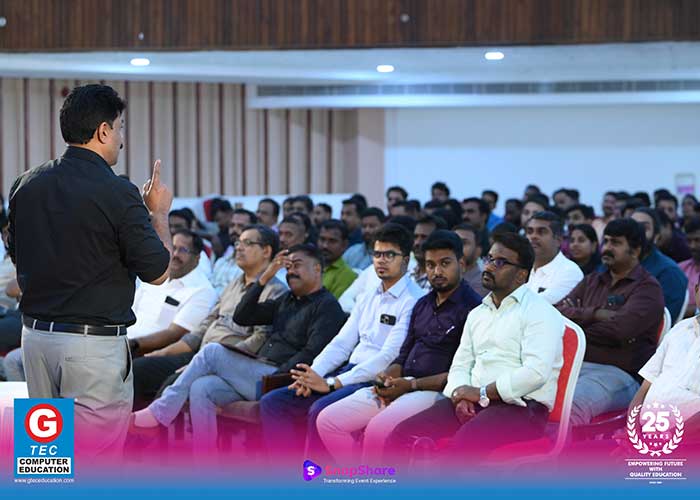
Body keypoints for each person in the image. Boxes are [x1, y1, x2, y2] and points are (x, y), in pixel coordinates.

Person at [8, 84, 172, 457]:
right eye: (120, 128)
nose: (121, 139)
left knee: (47, 461)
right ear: (103, 131)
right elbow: (159, 272)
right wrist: (159, 213)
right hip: (90, 348)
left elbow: (18, 254)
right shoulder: (117, 192)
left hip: (35, 340)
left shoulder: (26, 183)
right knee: (94, 463)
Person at [131, 244, 346, 452]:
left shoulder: (327, 307)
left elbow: (311, 353)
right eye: (288, 267)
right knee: (202, 387)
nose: (290, 272)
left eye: (297, 265)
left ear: (317, 268)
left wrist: (274, 380)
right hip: (259, 371)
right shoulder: (287, 299)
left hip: (281, 378)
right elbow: (242, 316)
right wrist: (264, 278)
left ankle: (159, 413)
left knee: (212, 352)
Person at [385, 232, 564, 462]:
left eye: (500, 262)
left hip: (521, 408)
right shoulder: (478, 313)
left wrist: (481, 393)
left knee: (459, 450)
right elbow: (461, 364)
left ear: (521, 275)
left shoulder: (540, 312)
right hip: (475, 401)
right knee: (401, 435)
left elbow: (535, 373)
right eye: (489, 259)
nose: (488, 267)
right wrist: (460, 396)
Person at [259, 223, 423, 459]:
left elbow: (388, 358)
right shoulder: (369, 295)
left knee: (319, 410)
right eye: (377, 254)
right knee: (273, 402)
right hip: (348, 371)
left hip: (374, 379)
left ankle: (317, 476)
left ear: (405, 260)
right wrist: (313, 375)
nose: (381, 260)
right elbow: (341, 343)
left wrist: (334, 383)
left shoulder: (414, 300)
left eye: (389, 255)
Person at [316, 230, 482, 461]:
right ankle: (361, 475)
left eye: (445, 263)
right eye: (430, 265)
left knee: (378, 430)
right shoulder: (422, 304)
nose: (437, 271)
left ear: (461, 264)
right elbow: (403, 355)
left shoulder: (474, 309)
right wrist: (388, 377)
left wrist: (410, 385)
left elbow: (463, 371)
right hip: (402, 383)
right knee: (328, 421)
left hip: (434, 392)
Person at [131, 225, 286, 410]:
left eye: (247, 243)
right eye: (238, 243)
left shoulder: (275, 291)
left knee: (171, 381)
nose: (238, 248)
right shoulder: (234, 283)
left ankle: (150, 424)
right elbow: (204, 326)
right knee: (141, 367)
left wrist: (216, 361)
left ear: (266, 251)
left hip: (229, 363)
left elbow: (260, 337)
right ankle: (127, 423)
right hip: (200, 354)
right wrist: (163, 353)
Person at [557, 219, 665, 425]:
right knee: (531, 396)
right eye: (605, 241)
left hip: (618, 373)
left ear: (635, 250)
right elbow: (557, 316)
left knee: (569, 406)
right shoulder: (592, 280)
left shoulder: (647, 289)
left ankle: (564, 447)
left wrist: (577, 328)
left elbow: (619, 330)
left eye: (615, 243)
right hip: (575, 364)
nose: (606, 247)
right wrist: (596, 314)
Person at [127, 230, 217, 355]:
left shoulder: (203, 292)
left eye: (183, 250)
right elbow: (129, 311)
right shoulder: (155, 275)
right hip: (122, 342)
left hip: (146, 353)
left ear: (197, 259)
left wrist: (132, 344)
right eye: (173, 248)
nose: (175, 254)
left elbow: (174, 335)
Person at [631, 208, 688, 321]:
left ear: (656, 236)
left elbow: (661, 320)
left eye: (644, 228)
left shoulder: (669, 272)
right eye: (631, 228)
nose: (636, 233)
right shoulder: (615, 265)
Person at [524, 211, 583, 304]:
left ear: (558, 240)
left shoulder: (570, 272)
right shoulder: (521, 267)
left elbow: (537, 306)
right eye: (530, 232)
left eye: (541, 232)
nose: (533, 236)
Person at [209, 209, 258, 295]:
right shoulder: (221, 262)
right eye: (232, 225)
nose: (234, 229)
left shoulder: (254, 265)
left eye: (240, 226)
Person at [318, 220, 357, 299]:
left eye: (332, 241)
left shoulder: (347, 275)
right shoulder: (309, 266)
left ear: (344, 245)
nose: (325, 245)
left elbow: (331, 304)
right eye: (322, 239)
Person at [411, 215, 447, 289]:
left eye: (424, 237)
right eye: (415, 237)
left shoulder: (443, 279)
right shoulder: (406, 274)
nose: (417, 243)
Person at [452, 223, 488, 296]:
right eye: (453, 242)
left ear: (478, 251)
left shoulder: (484, 282)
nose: (457, 247)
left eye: (464, 243)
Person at [680, 217, 700, 318]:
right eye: (689, 241)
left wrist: (693, 310)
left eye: (697, 240)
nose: (692, 246)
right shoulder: (680, 268)